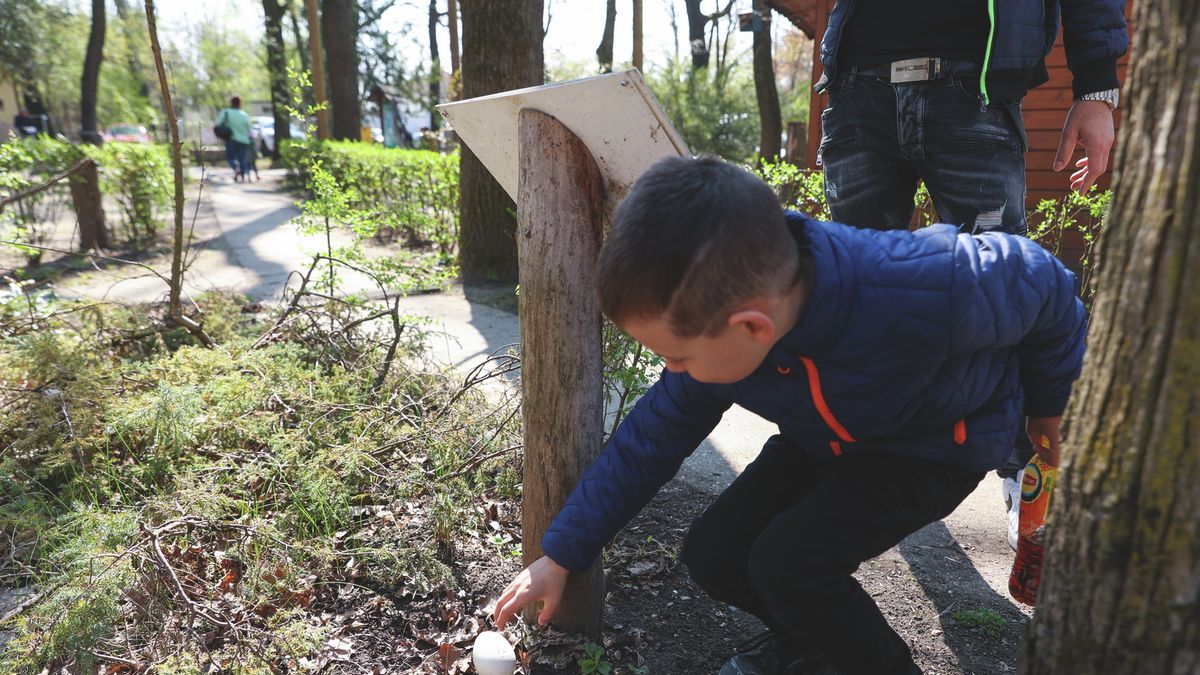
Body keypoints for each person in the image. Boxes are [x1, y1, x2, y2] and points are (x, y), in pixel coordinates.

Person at [492, 156, 1086, 675]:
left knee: (789, 566)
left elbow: (1044, 284)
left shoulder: (911, 287)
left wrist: (1049, 406)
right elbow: (649, 439)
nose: (670, 370)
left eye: (675, 355)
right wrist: (564, 553)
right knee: (714, 554)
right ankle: (811, 642)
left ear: (753, 328)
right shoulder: (721, 332)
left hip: (934, 446)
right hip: (826, 438)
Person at [814, 0, 1126, 548]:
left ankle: (1025, 480)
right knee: (857, 303)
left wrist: (1096, 89)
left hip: (972, 89)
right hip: (858, 88)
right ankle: (861, 482)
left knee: (1006, 299)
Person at [215, 96, 252, 182]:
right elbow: (249, 128)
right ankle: (243, 177)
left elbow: (218, 123)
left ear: (231, 103)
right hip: (244, 140)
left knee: (230, 157)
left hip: (232, 138)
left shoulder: (227, 112)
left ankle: (236, 168)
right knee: (242, 158)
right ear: (240, 103)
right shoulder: (244, 114)